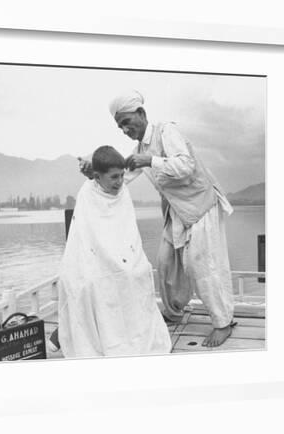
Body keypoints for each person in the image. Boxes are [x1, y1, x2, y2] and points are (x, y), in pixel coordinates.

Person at [80, 90, 235, 347]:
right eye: (120, 126)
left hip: (201, 206)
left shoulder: (166, 132)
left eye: (127, 122)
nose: (124, 129)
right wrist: (93, 172)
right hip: (176, 212)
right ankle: (173, 312)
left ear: (141, 114)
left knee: (203, 266)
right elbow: (119, 179)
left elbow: (186, 165)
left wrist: (151, 160)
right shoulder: (139, 150)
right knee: (165, 263)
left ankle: (223, 322)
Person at [56, 145, 171, 358]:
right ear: (97, 177)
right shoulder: (87, 194)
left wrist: (123, 262)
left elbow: (127, 233)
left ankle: (132, 335)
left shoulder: (122, 192)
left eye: (121, 176)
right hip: (94, 261)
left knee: (138, 273)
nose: (119, 182)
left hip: (124, 258)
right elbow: (86, 238)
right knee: (91, 284)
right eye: (114, 177)